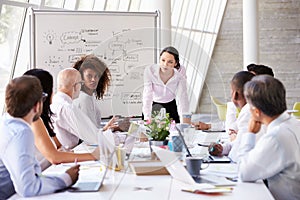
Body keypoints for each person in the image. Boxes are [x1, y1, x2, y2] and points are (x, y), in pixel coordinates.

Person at [0, 75, 79, 198]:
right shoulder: (22, 132)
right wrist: (66, 178)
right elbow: (28, 187)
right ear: (37, 105)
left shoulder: (6, 122)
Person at [239, 75, 300, 200]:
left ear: (256, 112)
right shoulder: (294, 123)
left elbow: (243, 172)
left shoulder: (276, 137)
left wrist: (249, 133)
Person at [24, 69, 98, 170]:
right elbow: (54, 157)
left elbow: (57, 145)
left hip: (49, 170)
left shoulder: (43, 119)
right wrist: (94, 155)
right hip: (43, 174)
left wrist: (63, 152)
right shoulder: (33, 120)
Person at [203, 71, 265, 162]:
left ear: (235, 94)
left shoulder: (249, 110)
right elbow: (239, 143)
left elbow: (238, 156)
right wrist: (222, 149)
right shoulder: (257, 108)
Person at [51, 68, 99, 149]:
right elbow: (92, 137)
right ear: (76, 86)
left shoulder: (54, 102)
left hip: (64, 152)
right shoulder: (67, 108)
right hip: (69, 153)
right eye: (81, 83)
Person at [142, 46, 189, 123]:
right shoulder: (150, 70)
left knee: (176, 131)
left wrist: (184, 118)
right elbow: (147, 95)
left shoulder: (181, 71)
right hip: (154, 105)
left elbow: (182, 95)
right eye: (163, 60)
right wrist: (147, 117)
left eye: (170, 62)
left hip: (171, 105)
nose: (165, 64)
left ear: (175, 63)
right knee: (152, 132)